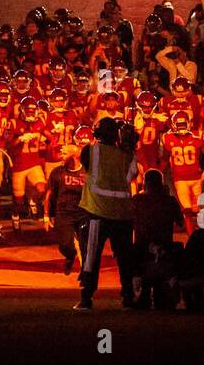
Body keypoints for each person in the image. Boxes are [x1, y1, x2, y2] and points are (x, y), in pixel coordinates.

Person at [74, 117, 138, 310]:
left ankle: (86, 298)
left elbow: (86, 167)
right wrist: (128, 145)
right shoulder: (128, 155)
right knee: (125, 258)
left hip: (96, 212)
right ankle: (128, 297)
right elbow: (132, 174)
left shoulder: (90, 151)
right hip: (123, 214)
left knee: (91, 256)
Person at [130, 169, 184, 309]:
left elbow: (128, 220)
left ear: (145, 184)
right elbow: (181, 222)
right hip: (165, 248)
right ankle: (164, 293)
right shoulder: (169, 201)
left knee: (138, 264)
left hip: (141, 249)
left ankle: (142, 295)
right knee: (163, 300)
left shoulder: (137, 200)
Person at [44, 127, 89, 274]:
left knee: (85, 244)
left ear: (74, 156)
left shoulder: (87, 171)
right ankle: (70, 257)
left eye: (64, 153)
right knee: (65, 245)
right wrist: (46, 215)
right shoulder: (57, 172)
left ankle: (86, 272)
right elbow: (49, 194)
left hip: (83, 212)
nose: (61, 156)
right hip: (64, 214)